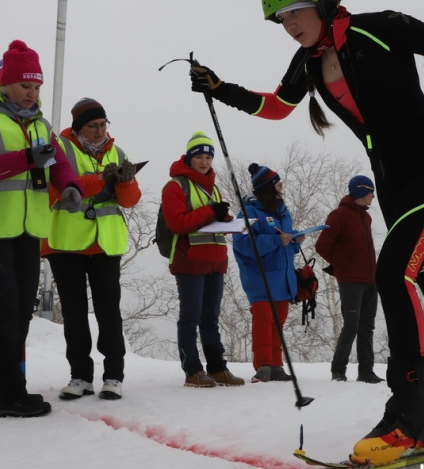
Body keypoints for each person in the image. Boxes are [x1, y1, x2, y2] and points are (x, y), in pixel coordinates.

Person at [189, 0, 424, 465]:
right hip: (393, 183)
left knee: (394, 275)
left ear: (325, 3)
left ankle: (408, 418)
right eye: (280, 20)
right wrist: (221, 89)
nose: (289, 26)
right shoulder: (308, 61)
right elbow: (279, 106)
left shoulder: (382, 28)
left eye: (295, 13)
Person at [0, 40, 82, 418]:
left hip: (27, 226)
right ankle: (9, 395)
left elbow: (58, 163)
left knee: (20, 308)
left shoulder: (40, 123)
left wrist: (71, 185)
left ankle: (7, 391)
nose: (32, 93)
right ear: (5, 84)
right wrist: (25, 159)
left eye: (38, 86)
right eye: (26, 86)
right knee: (6, 306)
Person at [42, 98, 140, 401]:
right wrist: (100, 180)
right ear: (78, 127)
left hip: (106, 243)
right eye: (92, 126)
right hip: (66, 242)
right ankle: (80, 376)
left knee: (109, 312)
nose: (99, 131)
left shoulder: (118, 152)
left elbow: (129, 201)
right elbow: (52, 189)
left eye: (103, 124)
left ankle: (114, 376)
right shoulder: (59, 149)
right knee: (74, 312)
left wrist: (124, 182)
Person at [161, 131, 245, 388]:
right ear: (189, 158)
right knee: (191, 317)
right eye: (199, 156)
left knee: (211, 318)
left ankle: (217, 368)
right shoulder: (175, 186)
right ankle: (192, 370)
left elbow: (212, 220)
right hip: (190, 261)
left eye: (209, 156)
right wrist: (212, 211)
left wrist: (229, 220)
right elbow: (177, 223)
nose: (205, 161)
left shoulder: (213, 187)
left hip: (215, 261)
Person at [232, 164, 303, 383]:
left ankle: (276, 365)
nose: (282, 187)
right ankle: (263, 365)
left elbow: (286, 243)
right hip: (260, 278)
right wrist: (276, 240)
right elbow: (243, 243)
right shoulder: (247, 212)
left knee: (278, 322)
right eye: (279, 184)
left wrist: (294, 242)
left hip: (283, 277)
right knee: (263, 320)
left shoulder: (283, 210)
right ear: (269, 187)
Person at [315, 175, 382, 384]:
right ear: (362, 191)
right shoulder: (339, 215)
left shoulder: (366, 217)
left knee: (367, 326)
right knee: (351, 325)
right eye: (371, 191)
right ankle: (338, 370)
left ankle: (366, 372)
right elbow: (321, 246)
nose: (373, 196)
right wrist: (342, 265)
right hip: (351, 281)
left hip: (371, 280)